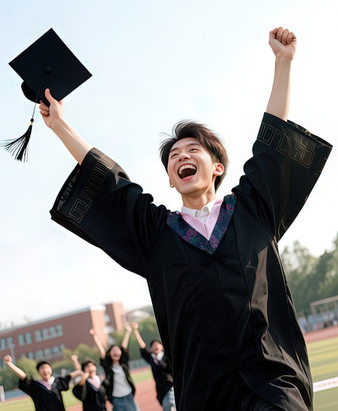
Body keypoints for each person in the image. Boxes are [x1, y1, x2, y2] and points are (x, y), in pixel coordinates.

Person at [40, 27, 332, 410]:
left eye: (193, 150)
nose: (181, 157)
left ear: (217, 167)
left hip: (270, 382)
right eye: (173, 156)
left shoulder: (251, 211)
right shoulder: (158, 234)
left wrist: (283, 62)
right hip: (206, 393)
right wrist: (60, 124)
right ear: (171, 179)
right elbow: (111, 183)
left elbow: (271, 145)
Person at [4, 355, 81, 411]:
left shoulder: (57, 382)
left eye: (47, 368)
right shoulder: (36, 386)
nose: (45, 370)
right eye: (42, 368)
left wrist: (75, 361)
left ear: (51, 369)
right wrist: (10, 364)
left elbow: (75, 373)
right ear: (38, 372)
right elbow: (24, 376)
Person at [89, 327, 139, 410]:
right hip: (116, 399)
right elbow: (102, 352)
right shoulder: (108, 368)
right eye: (113, 350)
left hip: (129, 396)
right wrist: (94, 336)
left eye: (118, 350)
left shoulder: (124, 365)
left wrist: (128, 332)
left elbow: (124, 347)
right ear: (109, 354)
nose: (116, 352)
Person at [132, 321, 176, 411]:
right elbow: (142, 347)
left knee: (171, 405)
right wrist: (135, 331)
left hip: (171, 387)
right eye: (152, 345)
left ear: (162, 347)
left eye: (157, 344)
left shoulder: (167, 356)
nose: (155, 346)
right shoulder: (151, 358)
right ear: (151, 349)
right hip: (160, 390)